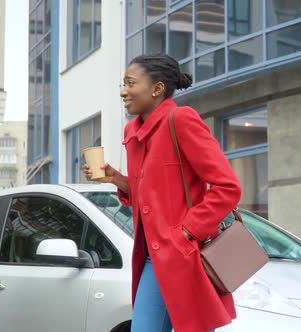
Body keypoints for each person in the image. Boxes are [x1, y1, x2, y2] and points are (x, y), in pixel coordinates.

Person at [84, 53, 242, 332]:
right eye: (122, 83)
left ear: (157, 89)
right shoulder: (133, 131)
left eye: (131, 83)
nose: (123, 91)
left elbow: (227, 187)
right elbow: (150, 196)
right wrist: (117, 179)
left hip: (185, 254)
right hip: (151, 256)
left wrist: (185, 232)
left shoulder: (180, 120)